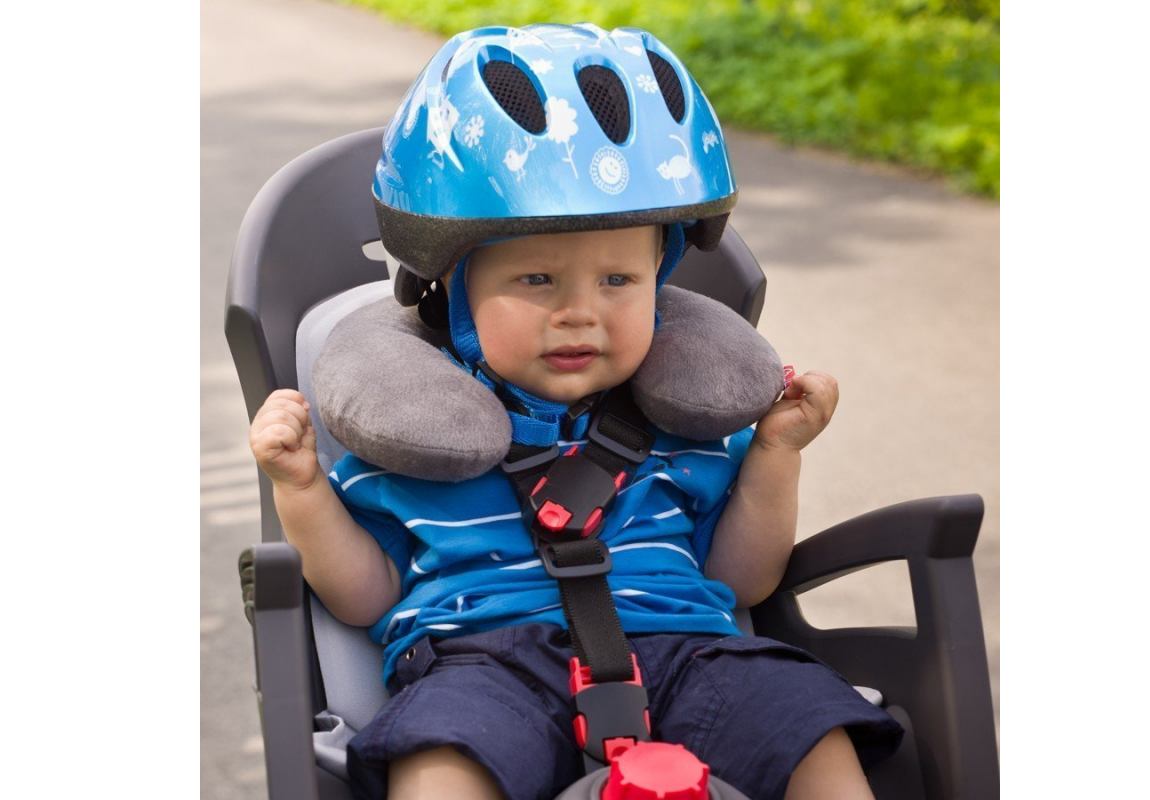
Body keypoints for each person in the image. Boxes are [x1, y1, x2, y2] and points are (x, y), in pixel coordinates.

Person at [248, 23, 901, 800]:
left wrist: (776, 454)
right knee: (439, 763)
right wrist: (301, 487)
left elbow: (744, 580)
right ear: (449, 289)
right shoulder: (421, 438)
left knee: (812, 729)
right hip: (485, 664)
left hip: (692, 653)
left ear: (662, 280)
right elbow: (365, 595)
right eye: (536, 281)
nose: (579, 313)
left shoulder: (680, 429)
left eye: (619, 282)